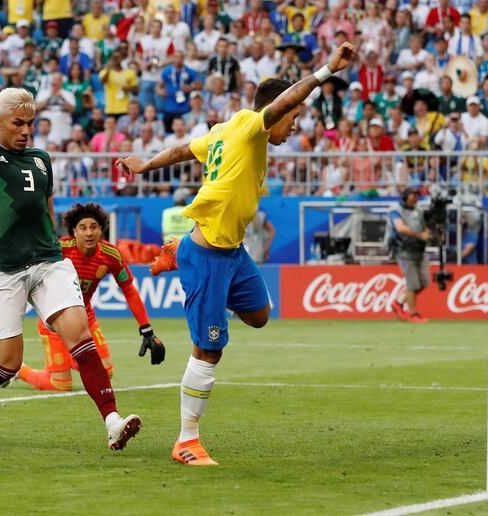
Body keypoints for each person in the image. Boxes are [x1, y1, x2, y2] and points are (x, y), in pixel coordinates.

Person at [119, 42, 357, 465]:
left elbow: (180, 150)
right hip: (209, 256)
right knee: (209, 349)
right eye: (294, 118)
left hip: (232, 252)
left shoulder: (223, 131)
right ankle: (186, 441)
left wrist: (145, 164)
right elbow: (286, 100)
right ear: (276, 111)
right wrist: (326, 72)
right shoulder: (249, 125)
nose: (294, 126)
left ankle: (181, 254)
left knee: (260, 315)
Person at [0, 56, 141, 451]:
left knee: (81, 337)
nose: (27, 130)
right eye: (18, 123)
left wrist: (62, 251)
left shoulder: (41, 160)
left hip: (48, 263)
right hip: (4, 271)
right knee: (8, 364)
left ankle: (113, 421)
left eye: (30, 123)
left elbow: (48, 213)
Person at [18, 203, 165, 391]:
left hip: (84, 318)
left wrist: (147, 330)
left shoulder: (110, 254)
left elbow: (129, 289)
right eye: (83, 228)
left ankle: (72, 354)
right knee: (61, 385)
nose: (89, 233)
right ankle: (19, 371)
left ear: (101, 229)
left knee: (105, 373)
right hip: (54, 320)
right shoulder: (59, 249)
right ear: (74, 231)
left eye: (93, 227)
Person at [389, 188, 431, 323]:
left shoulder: (418, 210)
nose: (415, 200)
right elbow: (400, 228)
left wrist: (430, 233)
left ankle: (398, 302)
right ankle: (412, 314)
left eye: (417, 197)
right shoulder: (395, 209)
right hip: (403, 250)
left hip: (419, 249)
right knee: (412, 284)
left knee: (424, 282)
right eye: (412, 197)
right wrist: (421, 235)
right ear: (405, 197)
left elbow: (425, 227)